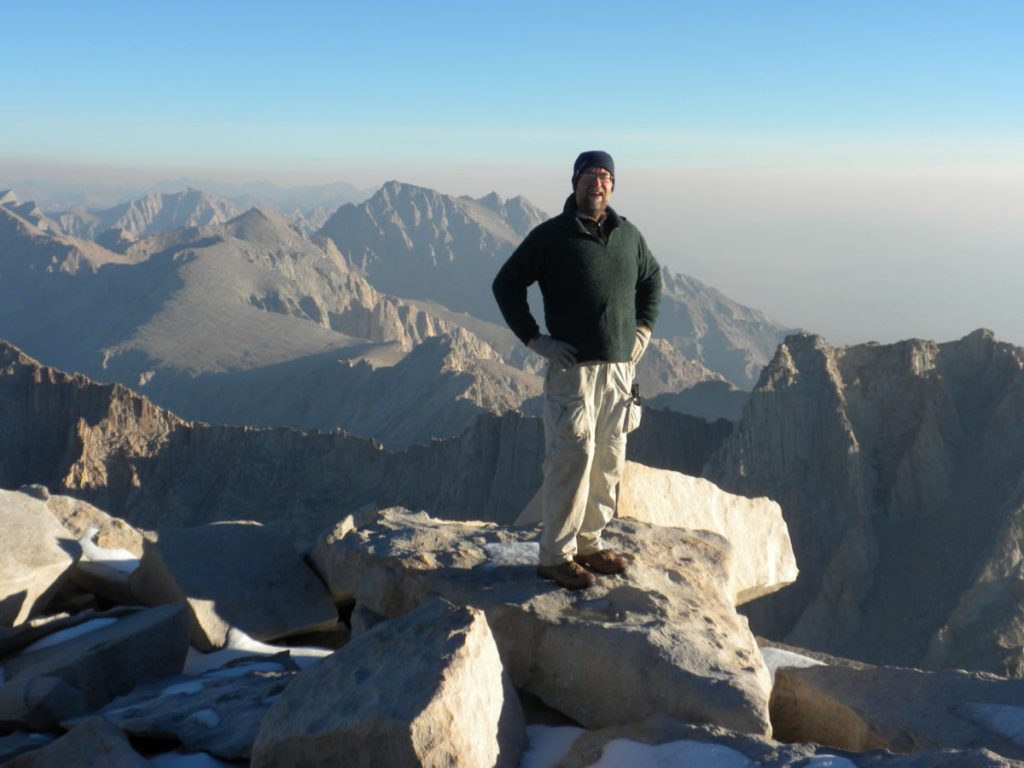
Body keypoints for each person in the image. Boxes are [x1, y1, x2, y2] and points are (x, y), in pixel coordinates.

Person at [492, 150, 662, 589]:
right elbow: (506, 284)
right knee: (573, 457)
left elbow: (652, 280)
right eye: (590, 176)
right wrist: (535, 339)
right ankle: (555, 555)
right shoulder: (551, 237)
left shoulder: (629, 236)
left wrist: (642, 330)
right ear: (575, 182)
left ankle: (589, 544)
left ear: (613, 185)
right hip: (574, 371)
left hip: (620, 372)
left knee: (609, 459)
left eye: (605, 176)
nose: (597, 184)